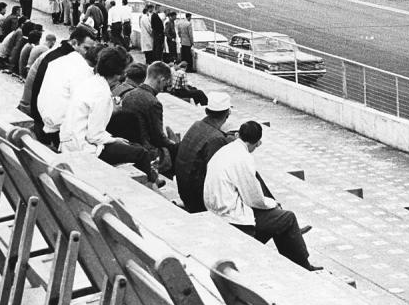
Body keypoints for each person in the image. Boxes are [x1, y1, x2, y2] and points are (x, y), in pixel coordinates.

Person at [203, 120, 320, 271]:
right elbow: (254, 199)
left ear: (239, 134)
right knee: (287, 218)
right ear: (257, 143)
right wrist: (273, 203)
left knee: (278, 219)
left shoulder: (225, 151)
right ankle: (303, 265)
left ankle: (292, 244)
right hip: (231, 217)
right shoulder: (243, 158)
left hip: (216, 209)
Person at [60, 46, 160, 184]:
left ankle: (149, 180)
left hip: (70, 141)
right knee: (140, 153)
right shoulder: (102, 93)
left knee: (128, 135)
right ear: (118, 74)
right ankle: (151, 187)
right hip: (84, 148)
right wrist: (114, 140)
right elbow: (94, 135)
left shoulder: (90, 82)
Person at [31, 25, 98, 149]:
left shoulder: (57, 54)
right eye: (86, 48)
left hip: (41, 118)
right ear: (74, 43)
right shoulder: (68, 61)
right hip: (47, 126)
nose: (88, 53)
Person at [110, 61, 180, 175]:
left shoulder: (129, 94)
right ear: (161, 79)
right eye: (165, 83)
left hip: (130, 144)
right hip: (147, 149)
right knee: (176, 150)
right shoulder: (153, 102)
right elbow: (158, 137)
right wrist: (173, 144)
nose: (163, 88)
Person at [175, 92, 233, 212]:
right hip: (198, 199)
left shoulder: (196, 125)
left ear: (206, 111)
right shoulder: (217, 139)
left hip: (185, 191)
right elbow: (218, 175)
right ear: (228, 113)